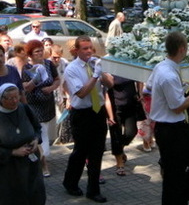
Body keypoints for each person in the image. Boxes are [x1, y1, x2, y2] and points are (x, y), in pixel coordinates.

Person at [148, 31, 189, 205]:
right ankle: (176, 200)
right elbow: (177, 107)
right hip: (171, 130)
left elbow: (148, 87)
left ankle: (177, 199)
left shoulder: (161, 67)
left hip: (175, 128)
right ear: (182, 49)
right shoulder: (168, 74)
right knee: (176, 175)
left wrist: (183, 88)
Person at [62, 35, 113, 203]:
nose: (89, 51)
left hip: (97, 112)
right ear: (77, 51)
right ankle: (70, 182)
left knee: (97, 151)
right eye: (85, 48)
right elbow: (82, 93)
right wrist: (95, 76)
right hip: (81, 114)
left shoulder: (95, 64)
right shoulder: (72, 69)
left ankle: (93, 190)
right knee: (81, 151)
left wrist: (101, 72)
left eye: (90, 48)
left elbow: (110, 84)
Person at [0, 83, 46, 205]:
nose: (15, 101)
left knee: (36, 195)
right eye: (10, 98)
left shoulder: (24, 108)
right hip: (9, 168)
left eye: (17, 96)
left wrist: (36, 140)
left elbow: (37, 127)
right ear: (1, 99)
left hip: (31, 164)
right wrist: (13, 152)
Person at [22, 39, 61, 178]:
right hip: (34, 106)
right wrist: (36, 78)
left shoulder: (49, 64)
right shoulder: (27, 68)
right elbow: (26, 88)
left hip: (48, 106)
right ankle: (44, 164)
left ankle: (40, 157)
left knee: (48, 134)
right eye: (36, 51)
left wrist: (50, 88)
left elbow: (57, 80)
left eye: (41, 50)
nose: (40, 53)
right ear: (30, 55)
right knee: (40, 134)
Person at [105, 75, 140, 176]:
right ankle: (119, 164)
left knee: (131, 132)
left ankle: (119, 148)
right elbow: (106, 91)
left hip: (130, 105)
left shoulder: (127, 64)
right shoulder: (108, 66)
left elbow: (138, 77)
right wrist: (110, 115)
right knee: (116, 136)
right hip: (115, 107)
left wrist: (140, 93)